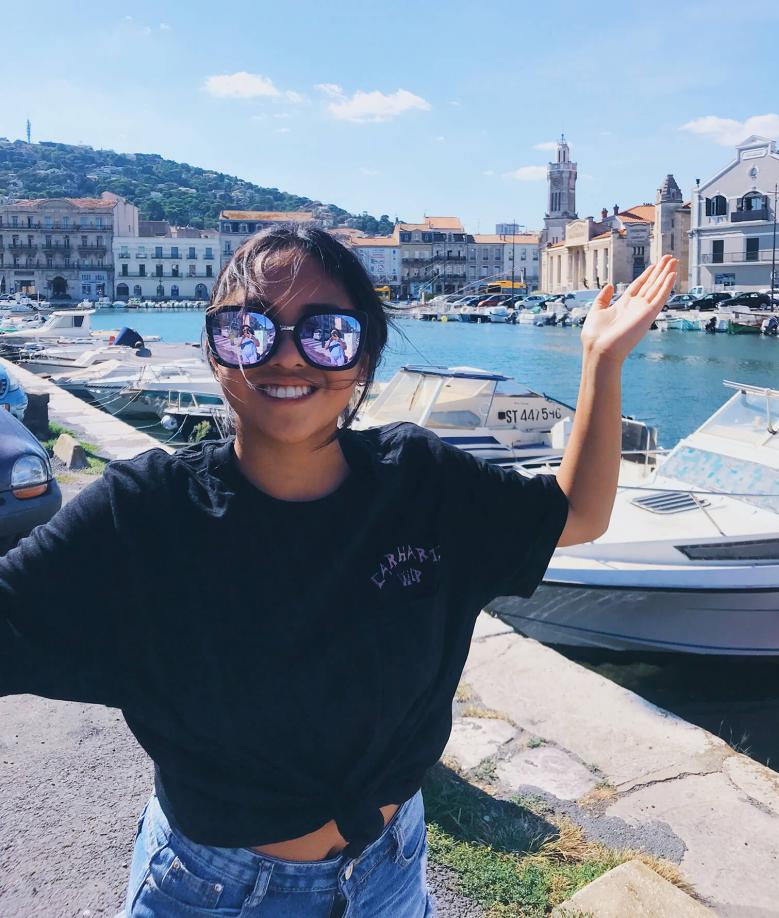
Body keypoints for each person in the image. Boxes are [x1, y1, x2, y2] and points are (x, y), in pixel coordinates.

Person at [0, 227, 677, 917]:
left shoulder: (418, 482)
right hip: (215, 893)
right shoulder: (144, 512)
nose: (288, 355)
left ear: (365, 356)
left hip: (388, 871)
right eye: (247, 329)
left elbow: (576, 515)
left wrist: (600, 359)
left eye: (326, 332)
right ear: (212, 351)